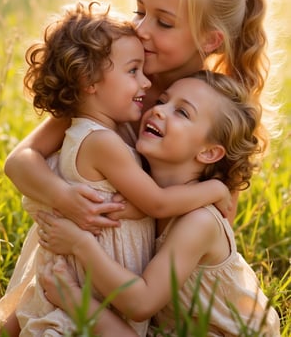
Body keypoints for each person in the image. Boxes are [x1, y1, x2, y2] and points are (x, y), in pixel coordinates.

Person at [0, 0, 276, 332]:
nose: (141, 29)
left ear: (209, 39)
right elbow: (19, 161)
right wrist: (66, 197)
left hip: (139, 271)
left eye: (163, 22)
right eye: (139, 11)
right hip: (83, 243)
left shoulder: (211, 113)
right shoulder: (109, 84)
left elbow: (189, 222)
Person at [0, 1, 230, 337]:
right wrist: (215, 190)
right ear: (90, 81)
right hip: (94, 271)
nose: (145, 83)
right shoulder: (103, 140)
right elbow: (156, 204)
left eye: (163, 19)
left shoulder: (100, 124)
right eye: (133, 71)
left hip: (96, 266)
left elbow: (126, 206)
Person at [37, 71, 281, 337]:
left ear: (209, 152)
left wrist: (79, 245)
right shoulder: (148, 196)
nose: (160, 111)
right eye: (162, 101)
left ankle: (73, 302)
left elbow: (141, 303)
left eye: (183, 113)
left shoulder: (199, 221)